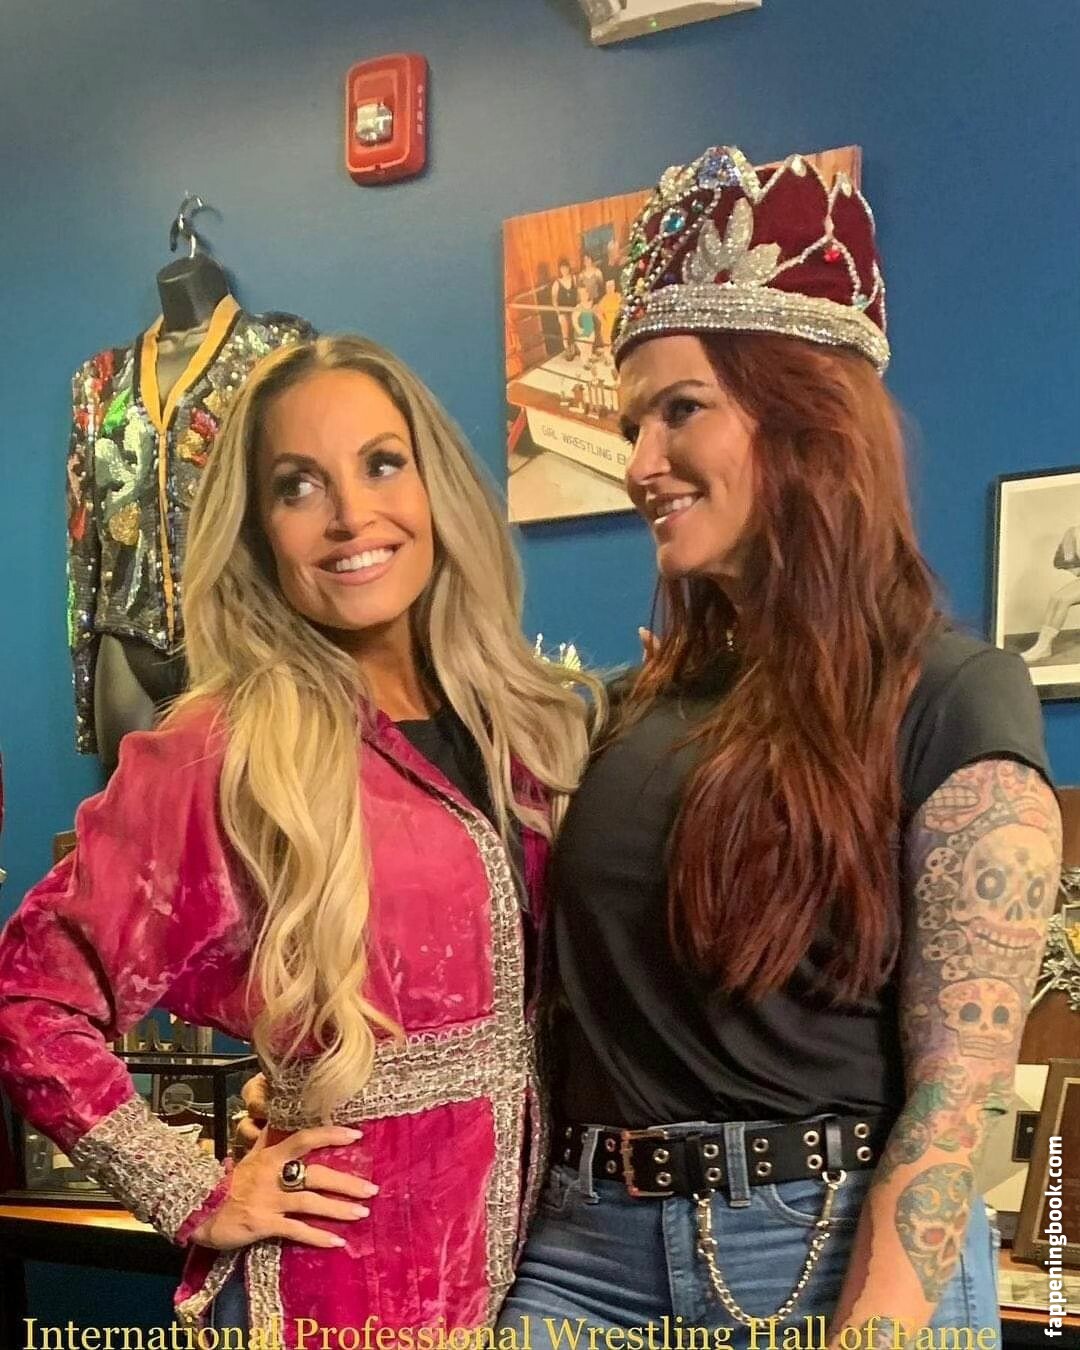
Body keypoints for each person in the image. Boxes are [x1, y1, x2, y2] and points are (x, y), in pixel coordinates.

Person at [496, 146, 1061, 1346]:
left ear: (807, 417)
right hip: (583, 1252)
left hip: (821, 1252)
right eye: (631, 422)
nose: (640, 464)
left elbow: (953, 1107)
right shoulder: (625, 712)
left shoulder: (952, 697)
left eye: (681, 409)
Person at [0, 335, 597, 1342]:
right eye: (298, 486)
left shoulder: (529, 726)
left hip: (548, 1280)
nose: (351, 515)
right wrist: (192, 1190)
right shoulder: (223, 747)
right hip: (341, 1295)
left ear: (435, 485)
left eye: (381, 464)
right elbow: (30, 995)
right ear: (258, 532)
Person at [1020, 523, 1080, 663]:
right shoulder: (1074, 531)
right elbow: (1069, 563)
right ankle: (1043, 645)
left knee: (1064, 600)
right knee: (1056, 597)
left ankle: (1043, 646)